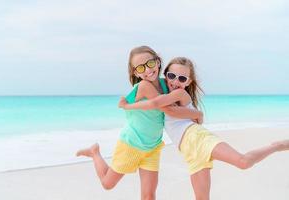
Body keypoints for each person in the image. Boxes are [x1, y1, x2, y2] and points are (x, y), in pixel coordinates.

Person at [119, 56, 289, 200]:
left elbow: (159, 104)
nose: (176, 82)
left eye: (182, 79)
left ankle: (277, 146)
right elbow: (162, 104)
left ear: (188, 82)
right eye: (171, 76)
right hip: (189, 151)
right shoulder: (168, 94)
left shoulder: (178, 94)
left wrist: (127, 106)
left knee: (242, 162)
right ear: (165, 75)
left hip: (197, 137)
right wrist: (197, 114)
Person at [76, 47, 197, 200]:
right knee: (108, 184)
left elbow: (177, 106)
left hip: (153, 147)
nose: (147, 70)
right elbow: (167, 108)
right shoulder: (144, 86)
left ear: (158, 62)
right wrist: (197, 114)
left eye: (150, 63)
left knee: (148, 195)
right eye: (141, 67)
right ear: (136, 73)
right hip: (132, 144)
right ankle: (95, 153)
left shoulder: (166, 83)